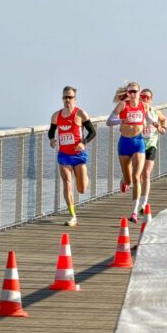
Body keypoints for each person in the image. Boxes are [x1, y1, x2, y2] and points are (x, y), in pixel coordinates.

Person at [49, 86, 96, 227]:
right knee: (67, 183)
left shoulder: (80, 114)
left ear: (75, 99)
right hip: (64, 155)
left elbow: (92, 132)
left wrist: (83, 142)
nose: (67, 100)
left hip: (78, 155)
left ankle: (85, 178)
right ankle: (72, 216)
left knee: (81, 189)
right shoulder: (56, 116)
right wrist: (52, 140)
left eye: (70, 97)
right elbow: (51, 131)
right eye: (65, 97)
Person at [106, 81, 146, 223]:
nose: (133, 94)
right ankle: (124, 180)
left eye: (135, 91)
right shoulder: (123, 105)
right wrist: (121, 120)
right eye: (130, 92)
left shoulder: (144, 106)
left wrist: (156, 125)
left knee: (136, 177)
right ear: (127, 93)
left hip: (138, 142)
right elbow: (109, 121)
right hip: (124, 143)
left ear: (139, 93)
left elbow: (149, 118)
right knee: (129, 179)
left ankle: (134, 212)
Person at [139, 88, 167, 213]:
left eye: (148, 97)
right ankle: (131, 186)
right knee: (137, 175)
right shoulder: (136, 112)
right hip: (138, 145)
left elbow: (163, 119)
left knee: (146, 173)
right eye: (143, 97)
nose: (145, 99)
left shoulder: (155, 112)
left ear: (151, 100)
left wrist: (163, 128)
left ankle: (143, 203)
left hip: (151, 145)